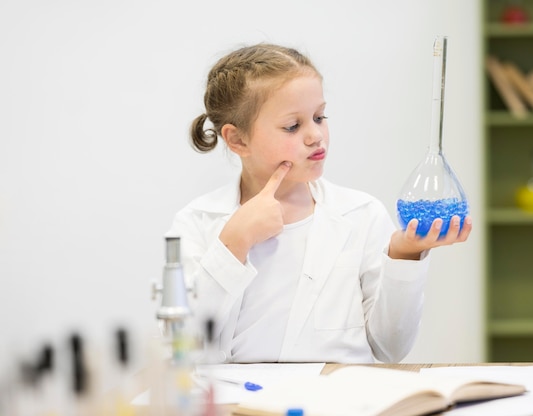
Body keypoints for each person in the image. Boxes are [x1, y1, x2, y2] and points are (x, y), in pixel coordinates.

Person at [166, 43, 472, 364]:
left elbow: (391, 347)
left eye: (319, 116)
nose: (316, 135)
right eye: (293, 126)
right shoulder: (197, 223)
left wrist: (405, 254)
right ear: (237, 139)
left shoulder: (361, 215)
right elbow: (186, 352)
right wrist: (233, 244)